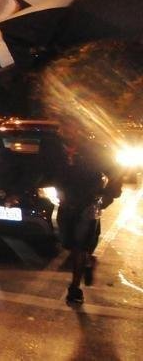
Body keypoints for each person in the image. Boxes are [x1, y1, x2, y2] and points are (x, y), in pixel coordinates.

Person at [52, 120, 121, 305]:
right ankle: (88, 262)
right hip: (66, 204)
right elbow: (49, 172)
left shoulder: (94, 150)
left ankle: (75, 288)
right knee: (67, 242)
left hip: (88, 204)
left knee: (79, 246)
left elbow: (115, 172)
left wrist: (107, 197)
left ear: (78, 129)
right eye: (62, 127)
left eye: (69, 126)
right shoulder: (57, 150)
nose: (64, 130)